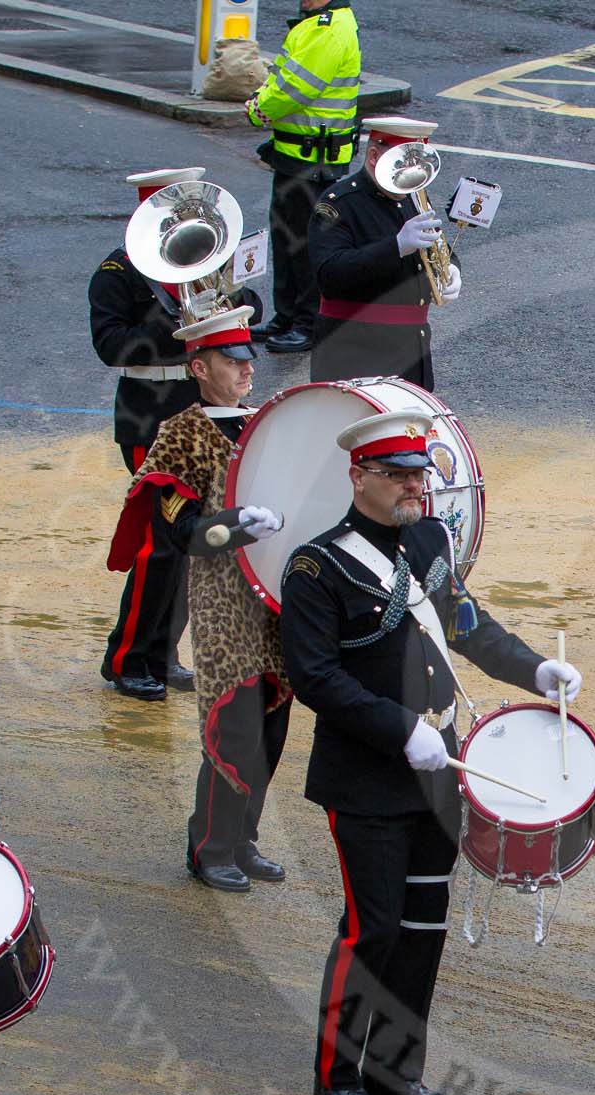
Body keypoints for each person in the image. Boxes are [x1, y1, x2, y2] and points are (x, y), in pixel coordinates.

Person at [281, 410, 580, 1095]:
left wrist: (537, 668)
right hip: (367, 777)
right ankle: (337, 1074)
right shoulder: (316, 566)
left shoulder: (429, 539)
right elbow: (314, 678)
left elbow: (467, 626)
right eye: (400, 475)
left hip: (440, 769)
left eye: (422, 473)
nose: (418, 486)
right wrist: (396, 727)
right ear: (359, 477)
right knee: (373, 926)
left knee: (422, 925)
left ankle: (394, 1068)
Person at [107, 306, 291, 892]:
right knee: (233, 723)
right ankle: (209, 846)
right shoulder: (181, 433)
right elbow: (180, 532)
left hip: (277, 596)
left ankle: (245, 838)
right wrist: (236, 526)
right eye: (232, 362)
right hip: (223, 602)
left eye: (247, 360)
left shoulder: (267, 423)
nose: (246, 371)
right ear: (199, 367)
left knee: (273, 724)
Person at [92, 167, 210, 702]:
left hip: (199, 411)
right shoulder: (117, 272)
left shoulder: (204, 261)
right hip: (149, 417)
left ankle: (163, 651)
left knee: (189, 547)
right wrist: (170, 325)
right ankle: (127, 658)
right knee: (157, 546)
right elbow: (111, 348)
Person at [308, 117, 462, 389]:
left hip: (411, 352)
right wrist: (396, 247)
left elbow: (435, 243)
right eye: (401, 165)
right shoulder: (338, 204)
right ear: (373, 155)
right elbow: (329, 274)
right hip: (355, 354)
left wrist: (451, 268)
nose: (412, 177)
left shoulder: (412, 196)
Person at [244, 0, 361, 354]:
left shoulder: (328, 28)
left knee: (305, 243)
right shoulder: (314, 24)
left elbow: (295, 88)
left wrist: (257, 109)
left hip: (315, 159)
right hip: (297, 155)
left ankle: (309, 323)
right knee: (286, 240)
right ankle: (288, 314)